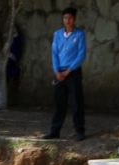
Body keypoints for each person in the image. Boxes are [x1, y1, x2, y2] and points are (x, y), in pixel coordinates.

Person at [44, 7, 86, 142]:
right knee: (59, 103)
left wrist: (69, 71)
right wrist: (57, 71)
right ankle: (54, 131)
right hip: (59, 72)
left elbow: (81, 54)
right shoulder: (57, 34)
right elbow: (54, 53)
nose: (68, 21)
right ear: (63, 20)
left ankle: (79, 131)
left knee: (76, 102)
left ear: (75, 19)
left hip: (73, 72)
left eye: (71, 18)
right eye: (65, 18)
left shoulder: (79, 34)